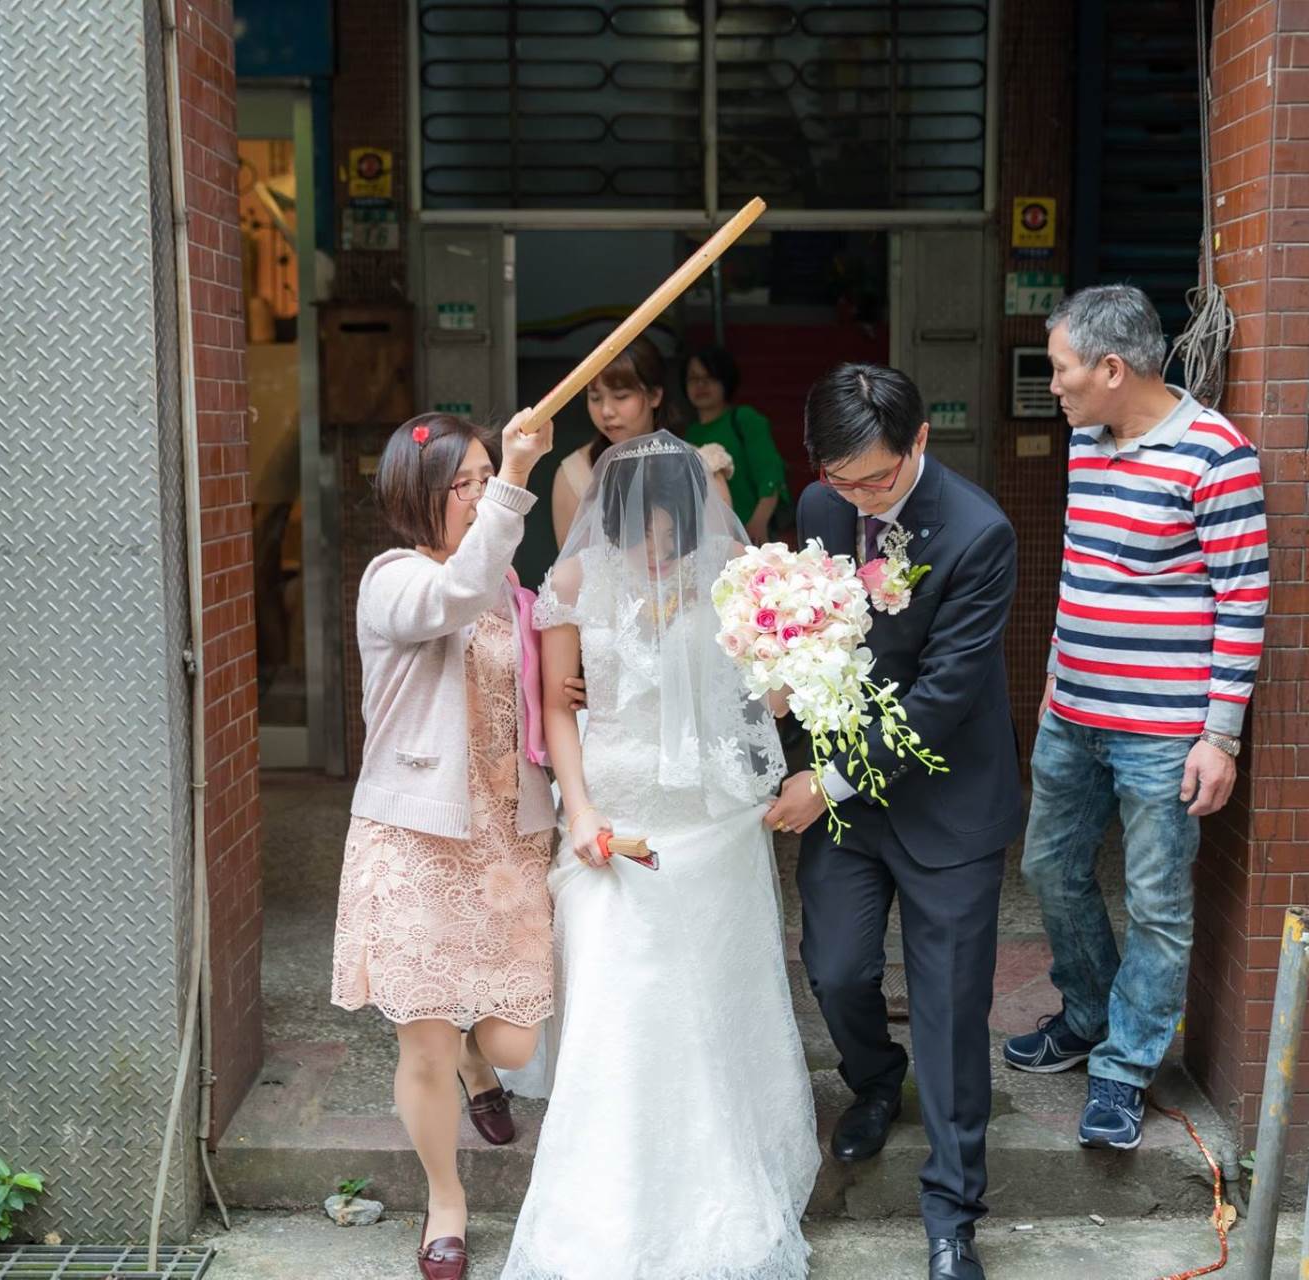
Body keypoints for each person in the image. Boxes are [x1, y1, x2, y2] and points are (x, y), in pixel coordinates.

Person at [503, 432, 819, 1279]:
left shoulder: (729, 584)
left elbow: (774, 701)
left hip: (708, 827)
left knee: (710, 1014)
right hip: (614, 822)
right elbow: (559, 709)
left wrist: (794, 644)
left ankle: (719, 1189)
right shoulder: (570, 585)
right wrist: (581, 810)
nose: (654, 544)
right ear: (609, 517)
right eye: (638, 526)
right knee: (617, 1007)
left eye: (668, 527)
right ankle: (598, 1207)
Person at [764, 364, 1023, 1280]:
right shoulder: (822, 505)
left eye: (877, 476)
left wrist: (824, 784)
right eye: (841, 477)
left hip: (947, 800)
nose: (858, 496)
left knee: (953, 1012)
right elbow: (811, 638)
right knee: (832, 972)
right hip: (852, 801)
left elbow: (941, 701)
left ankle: (953, 1213)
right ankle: (875, 1082)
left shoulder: (980, 533)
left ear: (919, 442)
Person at [1004, 285, 1268, 1152]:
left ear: (1113, 369)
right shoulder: (1088, 439)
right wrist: (1053, 678)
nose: (1055, 385)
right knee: (1049, 867)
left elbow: (1242, 601)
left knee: (1157, 902)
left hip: (1163, 730)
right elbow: (1084, 573)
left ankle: (1122, 1071)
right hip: (1071, 711)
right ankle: (1086, 1015)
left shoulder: (1216, 456)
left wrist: (1219, 735)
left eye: (1062, 367)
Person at [330, 407, 557, 1280]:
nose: (477, 496)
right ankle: (446, 1198)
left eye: (483, 478)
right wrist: (517, 481)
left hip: (505, 838)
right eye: (461, 484)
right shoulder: (392, 579)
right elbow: (454, 595)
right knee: (420, 1038)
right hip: (417, 839)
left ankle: (476, 1062)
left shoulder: (502, 580)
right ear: (419, 495)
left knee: (510, 1043)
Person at [550, 332, 732, 546]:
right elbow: (571, 569)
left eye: (621, 396)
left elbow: (723, 561)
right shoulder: (575, 474)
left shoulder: (702, 466)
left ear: (655, 395)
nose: (606, 411)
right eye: (595, 398)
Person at [682, 344, 792, 543]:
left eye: (710, 378)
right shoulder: (688, 433)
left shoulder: (744, 419)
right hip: (707, 539)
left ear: (726, 380)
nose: (701, 385)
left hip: (751, 534)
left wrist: (758, 523)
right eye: (693, 378)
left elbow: (770, 474)